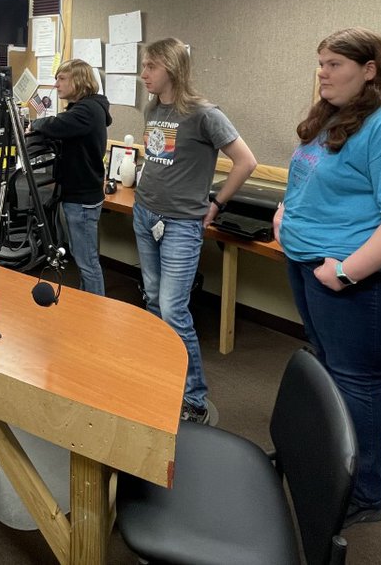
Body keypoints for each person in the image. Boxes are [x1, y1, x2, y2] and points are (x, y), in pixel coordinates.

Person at [275, 27, 381, 528]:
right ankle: (329, 463)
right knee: (329, 370)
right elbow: (314, 179)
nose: (322, 73)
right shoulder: (337, 116)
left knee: (358, 384)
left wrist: (345, 273)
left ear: (370, 70)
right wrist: (286, 215)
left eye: (334, 65)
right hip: (313, 266)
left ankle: (363, 492)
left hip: (365, 284)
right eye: (320, 63)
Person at [133, 38, 257, 426]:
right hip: (145, 213)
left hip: (181, 224)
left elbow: (245, 161)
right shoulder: (154, 108)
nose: (143, 75)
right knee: (152, 300)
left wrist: (216, 204)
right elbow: (160, 160)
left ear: (170, 66)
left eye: (150, 67)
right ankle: (163, 375)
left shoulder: (205, 113)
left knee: (173, 308)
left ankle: (195, 397)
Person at [30, 59, 113, 295]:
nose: (56, 85)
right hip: (82, 195)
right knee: (83, 259)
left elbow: (55, 124)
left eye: (62, 79)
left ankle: (95, 313)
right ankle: (87, 304)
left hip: (82, 199)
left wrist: (34, 124)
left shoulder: (86, 111)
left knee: (87, 263)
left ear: (78, 80)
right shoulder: (89, 108)